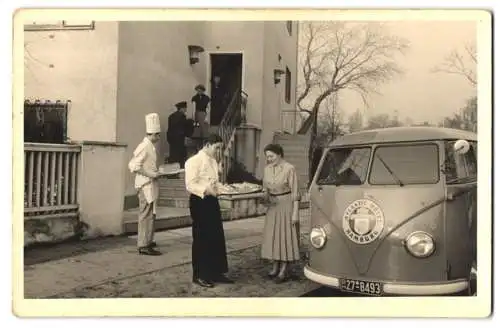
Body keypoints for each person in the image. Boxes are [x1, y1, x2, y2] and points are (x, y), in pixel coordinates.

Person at [184, 133, 233, 288]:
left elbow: (215, 183)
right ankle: (200, 275)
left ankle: (216, 272)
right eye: (217, 148)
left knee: (216, 236)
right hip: (199, 201)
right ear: (207, 145)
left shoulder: (213, 161)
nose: (219, 152)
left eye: (220, 148)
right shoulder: (193, 161)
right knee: (201, 238)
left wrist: (224, 189)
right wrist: (206, 190)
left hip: (212, 201)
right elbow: (190, 185)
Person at [260, 143, 301, 283]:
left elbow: (295, 193)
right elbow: (265, 189)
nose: (269, 159)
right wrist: (263, 197)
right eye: (267, 157)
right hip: (272, 206)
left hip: (286, 205)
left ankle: (284, 269)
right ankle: (275, 266)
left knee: (285, 237)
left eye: (271, 156)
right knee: (273, 237)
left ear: (279, 154)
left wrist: (295, 213)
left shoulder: (290, 169)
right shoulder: (267, 169)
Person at [128, 113, 163, 256]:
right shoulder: (144, 146)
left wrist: (155, 172)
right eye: (158, 135)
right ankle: (143, 244)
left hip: (150, 183)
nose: (159, 137)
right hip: (145, 184)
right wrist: (150, 174)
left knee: (150, 213)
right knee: (145, 214)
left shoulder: (150, 146)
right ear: (153, 134)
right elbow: (133, 166)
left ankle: (148, 239)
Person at [167, 101, 188, 168]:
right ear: (181, 108)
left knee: (173, 155)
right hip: (180, 139)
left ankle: (172, 172)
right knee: (180, 157)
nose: (185, 110)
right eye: (185, 108)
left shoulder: (171, 116)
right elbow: (184, 128)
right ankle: (179, 169)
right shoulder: (182, 116)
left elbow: (170, 129)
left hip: (172, 140)